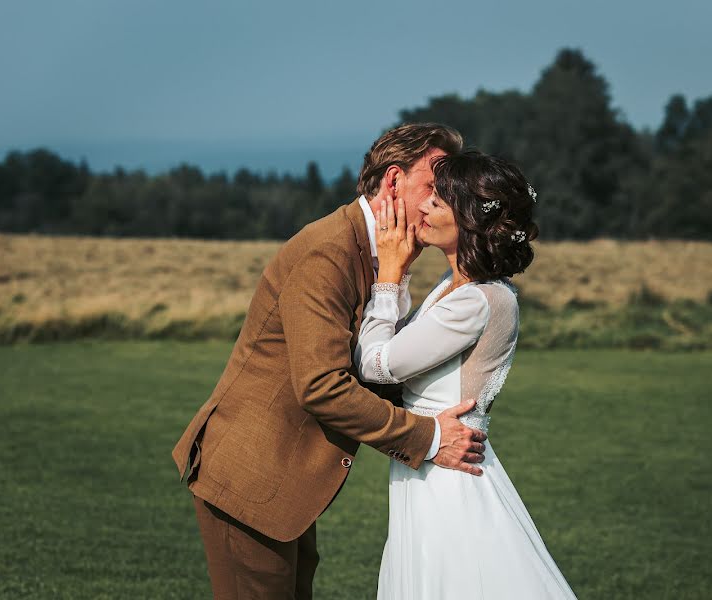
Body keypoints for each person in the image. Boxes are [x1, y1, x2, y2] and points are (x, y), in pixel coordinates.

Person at [171, 124, 490, 599]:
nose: (437, 205)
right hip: (251, 479)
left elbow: (376, 366)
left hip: (284, 487)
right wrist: (429, 437)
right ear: (394, 181)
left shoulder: (381, 254)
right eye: (434, 187)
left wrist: (393, 276)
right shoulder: (330, 252)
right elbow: (322, 386)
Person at [356, 150, 579, 599]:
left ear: (469, 220)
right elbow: (399, 351)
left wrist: (391, 273)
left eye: (437, 202)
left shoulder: (477, 301)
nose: (422, 208)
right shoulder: (452, 287)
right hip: (429, 466)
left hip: (450, 480)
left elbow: (375, 364)